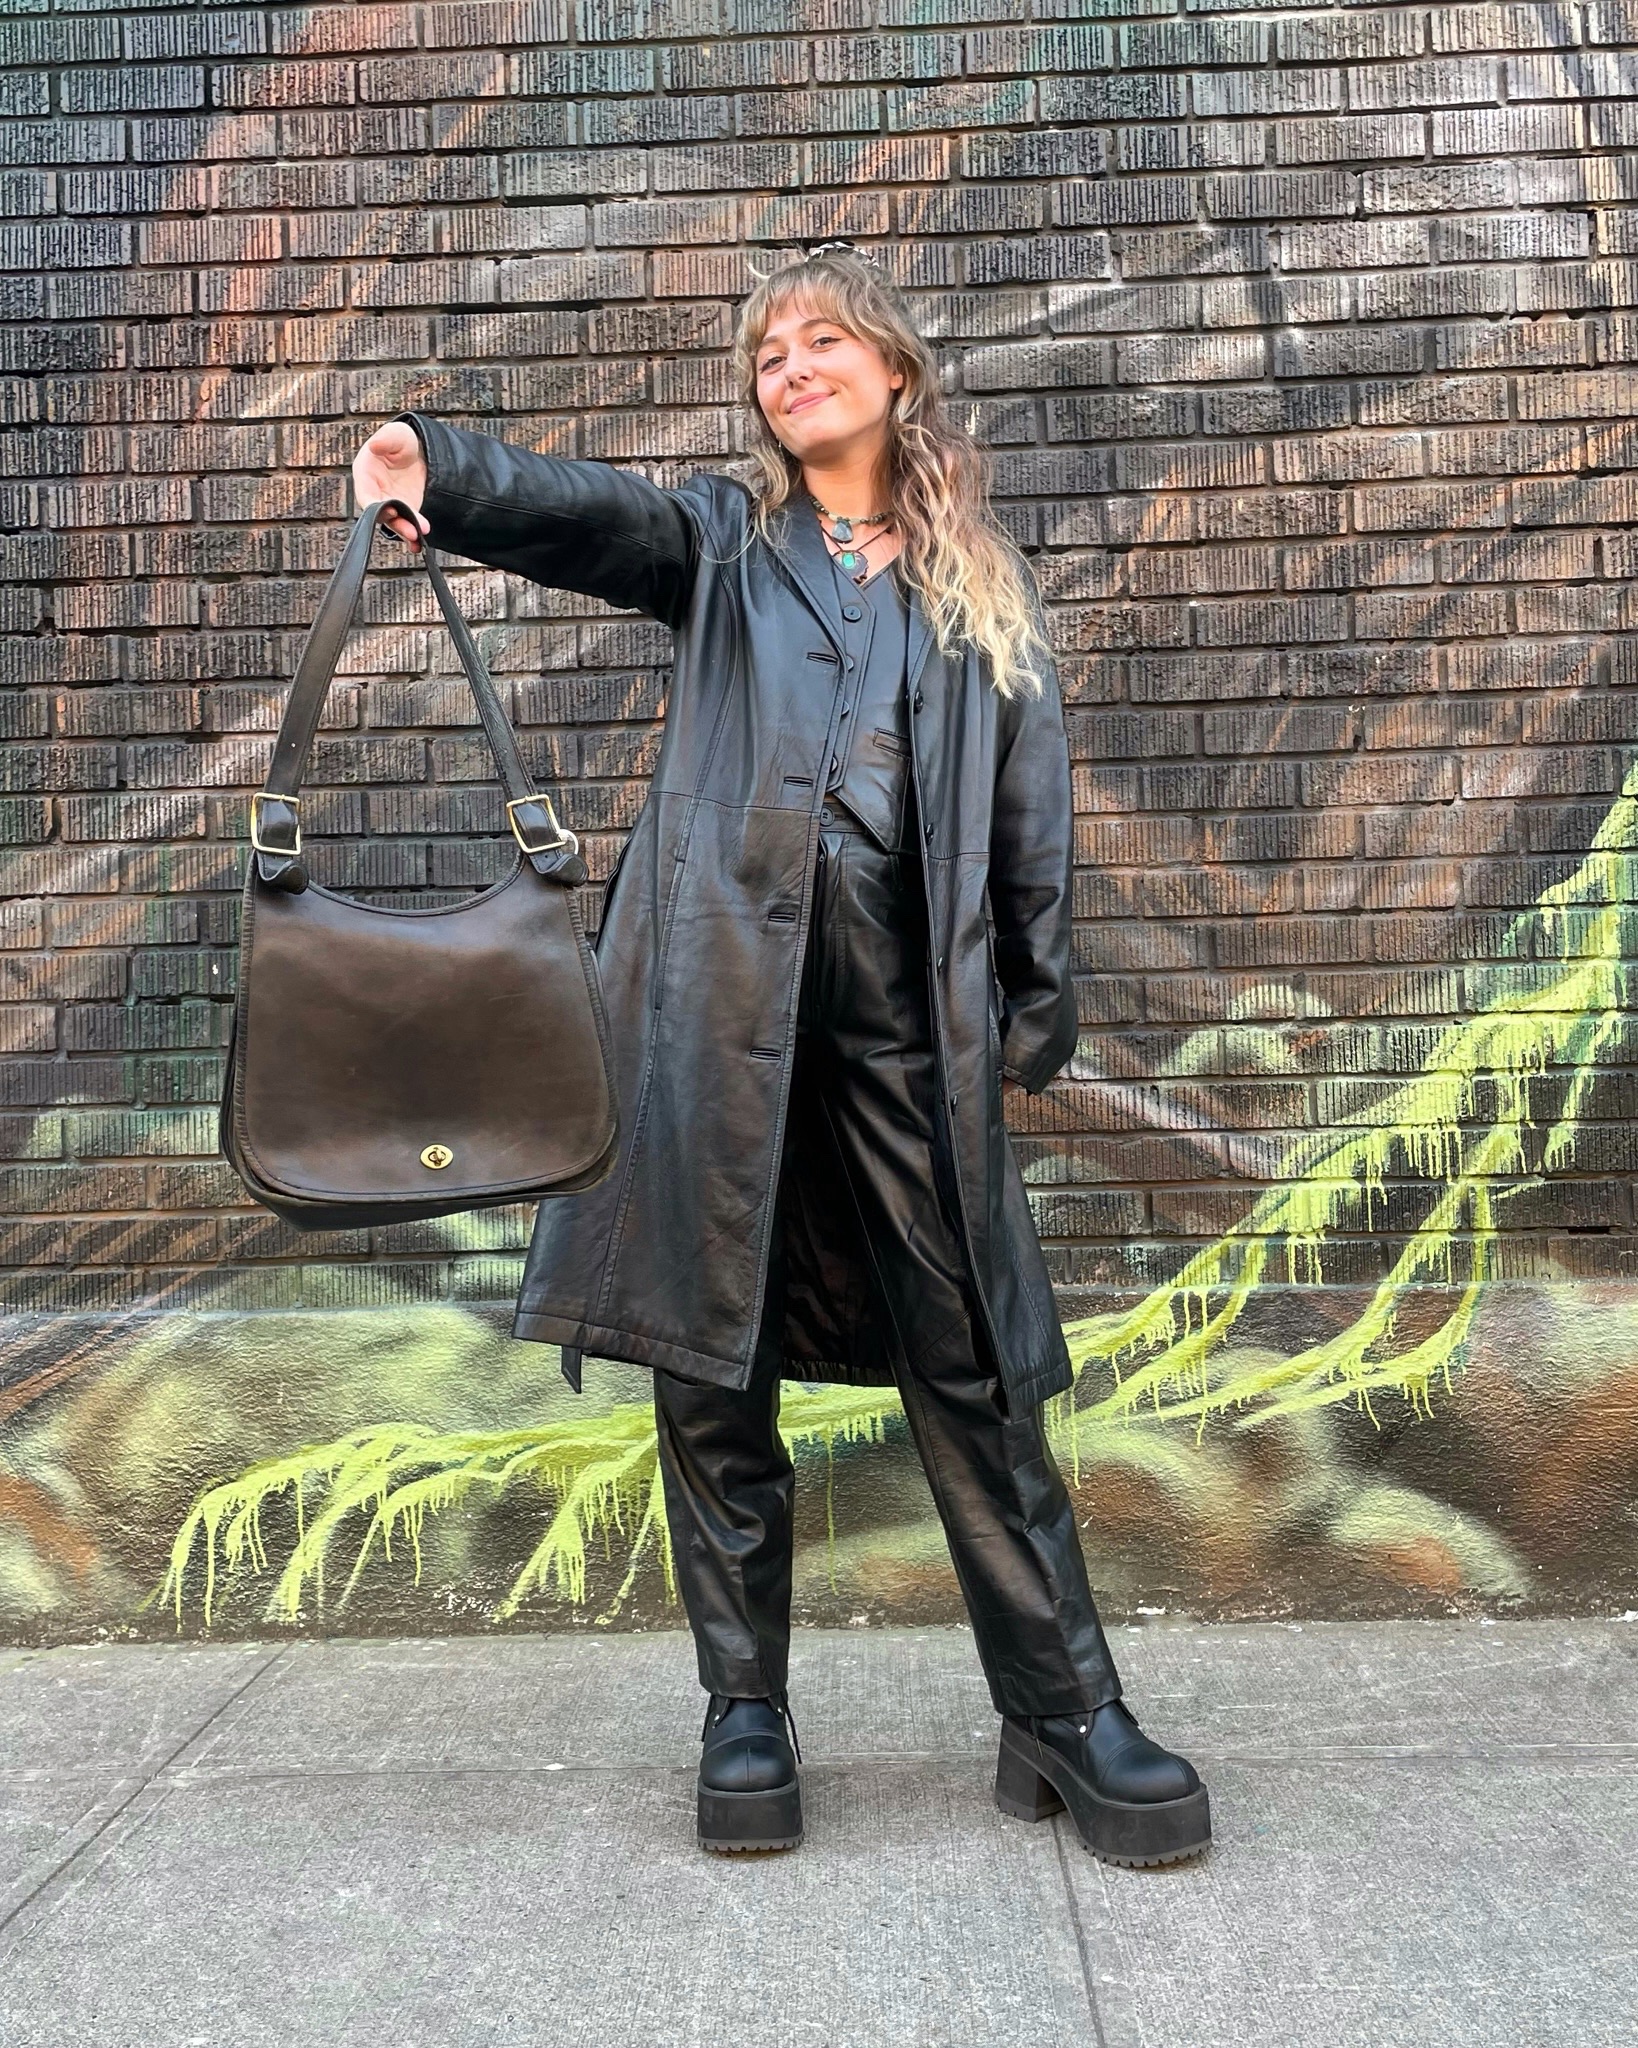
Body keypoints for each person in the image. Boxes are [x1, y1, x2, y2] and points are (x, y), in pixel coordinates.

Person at [351, 244, 1209, 1869]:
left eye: (824, 340)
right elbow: (586, 511)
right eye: (767, 353)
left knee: (975, 1366)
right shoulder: (726, 543)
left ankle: (1061, 1709)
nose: (790, 364)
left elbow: (1029, 812)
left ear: (895, 375)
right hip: (708, 1005)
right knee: (706, 1356)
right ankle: (742, 1710)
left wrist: (1035, 994)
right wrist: (438, 470)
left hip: (909, 1027)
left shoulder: (979, 586)